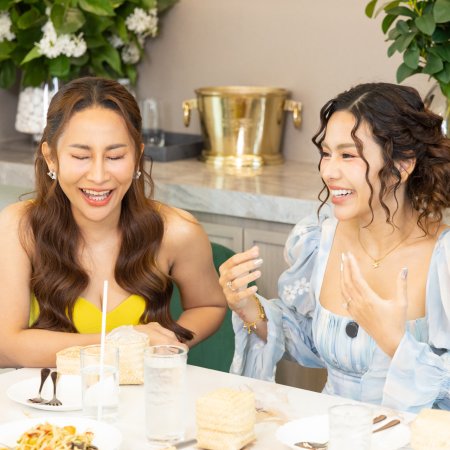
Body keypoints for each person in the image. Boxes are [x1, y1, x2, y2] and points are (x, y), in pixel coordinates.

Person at [219, 82, 450, 413]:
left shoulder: (443, 259)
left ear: (402, 165)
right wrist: (248, 307)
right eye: (326, 153)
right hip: (328, 431)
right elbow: (312, 343)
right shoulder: (320, 239)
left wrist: (396, 343)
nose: (328, 171)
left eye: (347, 155)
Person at [0, 77, 227, 368]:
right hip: (47, 396)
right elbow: (6, 347)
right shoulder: (18, 228)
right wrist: (121, 343)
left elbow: (209, 305)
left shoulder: (178, 232)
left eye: (115, 156)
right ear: (51, 158)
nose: (98, 176)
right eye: (81, 156)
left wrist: (168, 344)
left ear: (137, 157)